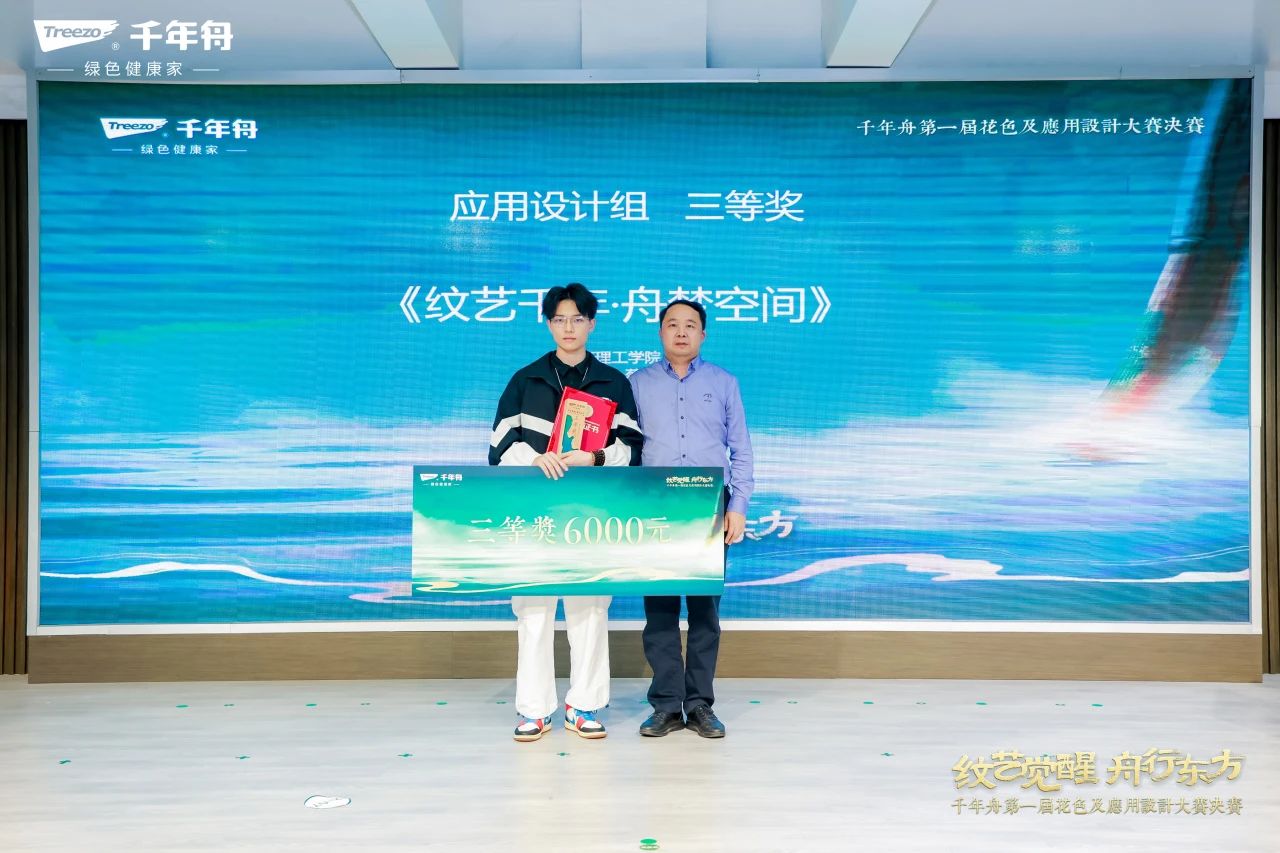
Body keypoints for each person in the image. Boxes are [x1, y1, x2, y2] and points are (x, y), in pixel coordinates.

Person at [488, 283, 643, 742]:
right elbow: (499, 448)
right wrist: (535, 458)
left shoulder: (614, 383)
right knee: (533, 611)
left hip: (592, 514)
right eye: (559, 319)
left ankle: (584, 706)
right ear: (548, 324)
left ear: (592, 324)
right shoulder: (525, 380)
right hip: (533, 513)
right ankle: (534, 710)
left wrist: (593, 458)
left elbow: (633, 448)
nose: (568, 327)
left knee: (590, 609)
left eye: (577, 319)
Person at [629, 299, 753, 739]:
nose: (681, 332)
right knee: (660, 611)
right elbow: (626, 449)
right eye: (672, 325)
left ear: (703, 334)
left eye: (690, 325)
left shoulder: (723, 382)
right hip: (656, 505)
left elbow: (741, 448)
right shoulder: (637, 383)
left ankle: (700, 704)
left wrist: (737, 507)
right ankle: (665, 705)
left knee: (705, 612)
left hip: (709, 506)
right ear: (660, 332)